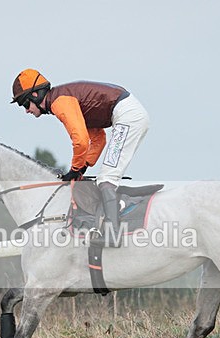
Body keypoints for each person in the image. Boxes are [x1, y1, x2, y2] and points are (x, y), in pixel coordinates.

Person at [11, 69, 149, 247]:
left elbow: (81, 142)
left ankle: (113, 234)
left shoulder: (60, 102)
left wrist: (75, 169)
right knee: (105, 178)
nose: (26, 111)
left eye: (25, 104)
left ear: (36, 95)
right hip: (128, 114)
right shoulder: (67, 101)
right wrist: (82, 169)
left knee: (107, 179)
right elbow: (98, 139)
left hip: (128, 117)